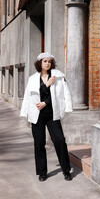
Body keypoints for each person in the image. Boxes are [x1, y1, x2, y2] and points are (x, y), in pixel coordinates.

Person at [20, 52, 73, 182]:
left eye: (49, 61)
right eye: (45, 61)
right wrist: (24, 112)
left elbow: (64, 92)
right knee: (39, 144)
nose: (47, 63)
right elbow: (28, 96)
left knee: (60, 141)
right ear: (40, 63)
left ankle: (66, 170)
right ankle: (42, 172)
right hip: (36, 115)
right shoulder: (32, 78)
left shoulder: (58, 76)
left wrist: (47, 101)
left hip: (52, 114)